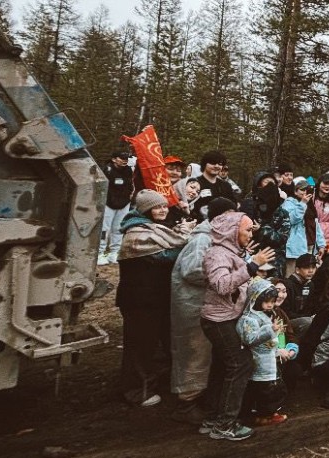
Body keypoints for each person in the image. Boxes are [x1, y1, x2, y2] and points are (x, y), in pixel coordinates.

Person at [200, 210, 274, 441]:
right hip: (218, 320)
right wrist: (251, 266)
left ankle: (213, 417)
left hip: (226, 317)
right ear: (232, 231)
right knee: (240, 364)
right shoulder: (217, 255)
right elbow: (222, 285)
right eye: (247, 229)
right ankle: (225, 424)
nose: (251, 234)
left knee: (222, 367)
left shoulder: (231, 252)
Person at [168, 196, 237, 425]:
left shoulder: (220, 237)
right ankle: (186, 402)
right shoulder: (202, 239)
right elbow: (192, 270)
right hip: (193, 306)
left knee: (208, 352)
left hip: (208, 305)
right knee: (194, 353)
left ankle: (205, 397)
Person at [115, 189, 187, 407]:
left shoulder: (155, 229)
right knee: (141, 346)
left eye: (164, 206)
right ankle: (138, 391)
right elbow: (164, 257)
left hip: (155, 298)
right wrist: (187, 245)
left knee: (158, 343)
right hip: (139, 301)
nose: (163, 209)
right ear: (146, 209)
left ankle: (156, 381)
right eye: (157, 207)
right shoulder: (136, 234)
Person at [236, 277, 293, 425]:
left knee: (270, 388)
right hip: (258, 360)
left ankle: (268, 413)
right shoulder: (249, 319)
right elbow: (250, 339)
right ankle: (261, 415)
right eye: (266, 301)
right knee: (260, 389)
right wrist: (270, 330)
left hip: (269, 358)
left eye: (272, 301)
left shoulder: (266, 315)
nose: (270, 305)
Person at [98, 149, 136, 265]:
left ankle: (114, 252)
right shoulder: (107, 170)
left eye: (126, 159)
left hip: (124, 203)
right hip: (109, 203)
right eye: (122, 158)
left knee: (118, 229)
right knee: (104, 229)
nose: (125, 161)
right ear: (114, 159)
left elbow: (130, 185)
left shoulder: (129, 170)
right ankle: (100, 252)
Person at [194, 150, 236, 221]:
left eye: (220, 164)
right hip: (202, 225)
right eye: (213, 163)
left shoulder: (226, 185)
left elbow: (233, 207)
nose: (216, 166)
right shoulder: (195, 183)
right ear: (204, 164)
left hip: (224, 226)